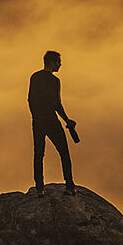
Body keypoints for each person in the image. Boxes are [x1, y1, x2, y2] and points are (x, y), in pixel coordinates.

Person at [28, 50, 77, 194]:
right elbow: (56, 103)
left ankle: (39, 188)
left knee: (38, 153)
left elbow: (30, 99)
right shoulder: (54, 81)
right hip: (51, 120)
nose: (60, 65)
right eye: (58, 62)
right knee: (64, 152)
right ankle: (70, 186)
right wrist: (67, 120)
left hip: (37, 121)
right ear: (52, 62)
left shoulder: (35, 77)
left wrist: (35, 116)